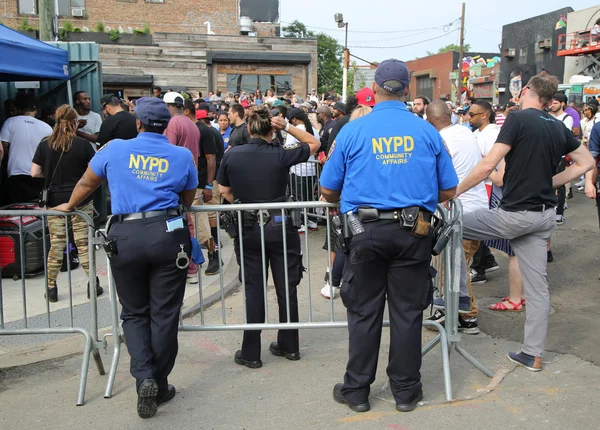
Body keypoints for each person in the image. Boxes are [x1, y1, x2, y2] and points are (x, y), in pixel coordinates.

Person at [320, 59, 458, 413]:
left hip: (365, 232)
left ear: (375, 88)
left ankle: (357, 391)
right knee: (407, 313)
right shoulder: (427, 131)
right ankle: (406, 392)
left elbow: (327, 189)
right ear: (409, 88)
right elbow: (449, 189)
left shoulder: (353, 131)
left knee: (364, 312)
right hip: (415, 232)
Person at [54, 98, 198, 419]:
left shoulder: (115, 149)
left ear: (138, 124)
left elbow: (86, 183)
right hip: (167, 235)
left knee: (133, 313)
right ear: (168, 125)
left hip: (126, 236)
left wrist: (68, 205)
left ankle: (144, 376)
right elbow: (188, 199)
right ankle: (158, 384)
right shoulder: (181, 155)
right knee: (164, 313)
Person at [456, 72, 595, 372]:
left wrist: (451, 193)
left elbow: (487, 166)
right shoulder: (557, 127)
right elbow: (587, 163)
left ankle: (444, 292)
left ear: (528, 90)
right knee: (538, 288)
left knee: (449, 222)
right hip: (543, 217)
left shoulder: (517, 119)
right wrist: (551, 182)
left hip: (515, 215)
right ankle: (532, 354)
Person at [217, 105, 320, 369]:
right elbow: (314, 142)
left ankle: (251, 352)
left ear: (249, 128)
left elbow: (223, 189)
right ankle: (290, 345)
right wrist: (286, 126)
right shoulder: (280, 153)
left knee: (254, 289)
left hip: (249, 226)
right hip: (280, 224)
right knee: (287, 286)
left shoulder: (233, 154)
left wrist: (245, 203)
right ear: (270, 130)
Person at [427, 101, 489, 334]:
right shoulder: (465, 131)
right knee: (457, 267)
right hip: (476, 208)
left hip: (458, 212)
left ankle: (467, 316)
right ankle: (455, 311)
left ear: (430, 121)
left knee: (453, 268)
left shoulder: (442, 140)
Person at [30, 105, 103, 302]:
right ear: (74, 122)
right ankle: (93, 284)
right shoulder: (82, 145)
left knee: (56, 244)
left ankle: (51, 288)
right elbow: (94, 172)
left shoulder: (45, 144)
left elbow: (34, 173)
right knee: (83, 244)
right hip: (80, 200)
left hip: (54, 201)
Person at [163, 92, 201, 284]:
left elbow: (167, 152)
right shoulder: (190, 124)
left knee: (178, 227)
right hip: (188, 181)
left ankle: (188, 267)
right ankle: (191, 268)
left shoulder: (173, 124)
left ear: (168, 106)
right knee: (187, 226)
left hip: (176, 183)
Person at [183, 100, 221, 275]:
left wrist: (208, 184)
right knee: (200, 221)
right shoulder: (186, 129)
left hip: (201, 183)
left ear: (185, 111)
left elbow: (210, 159)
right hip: (190, 183)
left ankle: (214, 255)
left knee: (201, 221)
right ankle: (209, 254)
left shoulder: (203, 130)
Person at [1, 98, 52, 203]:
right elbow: (51, 151)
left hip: (16, 172)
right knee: (37, 207)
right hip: (39, 174)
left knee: (17, 208)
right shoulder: (46, 127)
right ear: (36, 111)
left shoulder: (10, 122)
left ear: (19, 110)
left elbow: (4, 146)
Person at [286, 108, 320, 232]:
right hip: (311, 169)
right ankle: (312, 221)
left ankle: (301, 223)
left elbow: (288, 147)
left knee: (298, 197)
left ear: (294, 119)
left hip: (298, 168)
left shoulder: (294, 131)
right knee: (309, 196)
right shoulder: (314, 131)